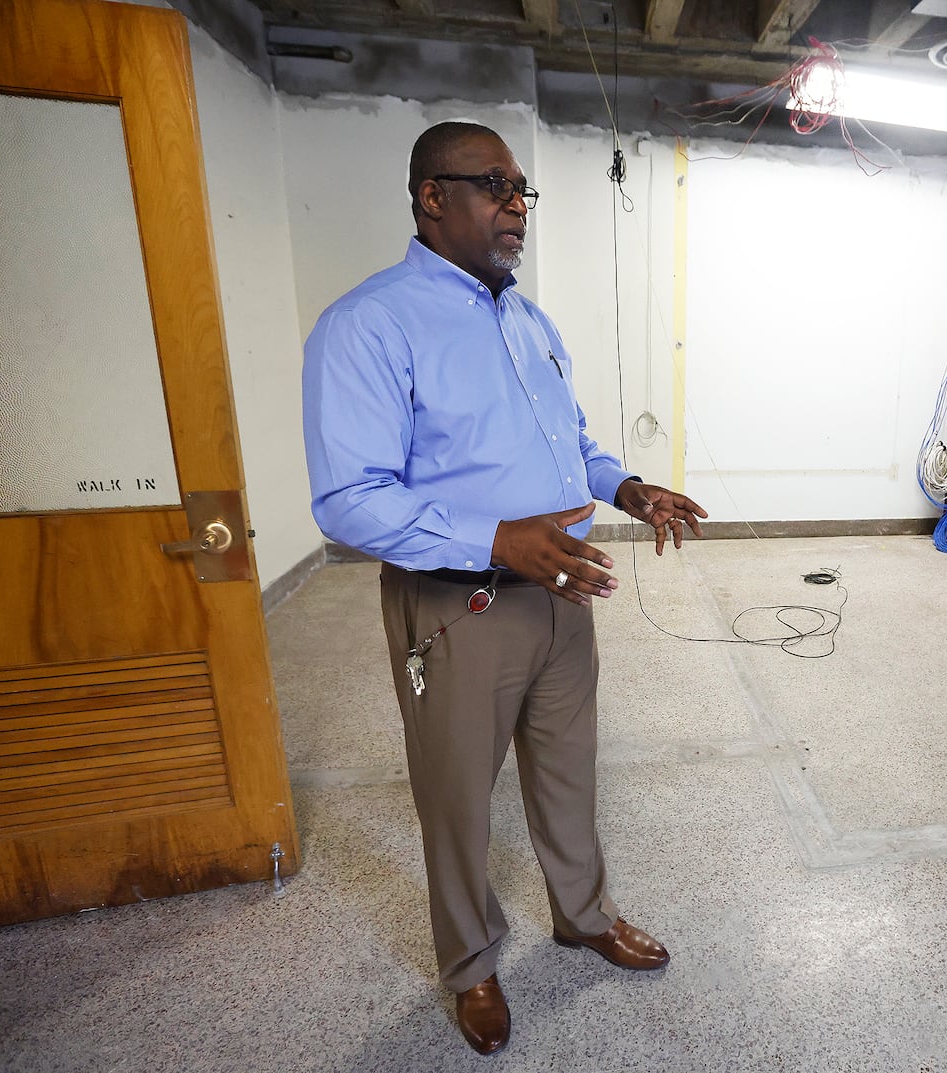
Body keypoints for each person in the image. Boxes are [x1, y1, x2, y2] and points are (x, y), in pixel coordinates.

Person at [302, 120, 707, 1056]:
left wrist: (627, 486)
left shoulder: (527, 319)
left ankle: (583, 914)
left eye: (523, 189)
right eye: (494, 185)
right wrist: (494, 539)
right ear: (431, 197)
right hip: (459, 605)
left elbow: (571, 442)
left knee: (569, 767)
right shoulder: (370, 324)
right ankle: (472, 963)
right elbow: (349, 501)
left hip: (562, 590)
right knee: (456, 795)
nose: (517, 206)